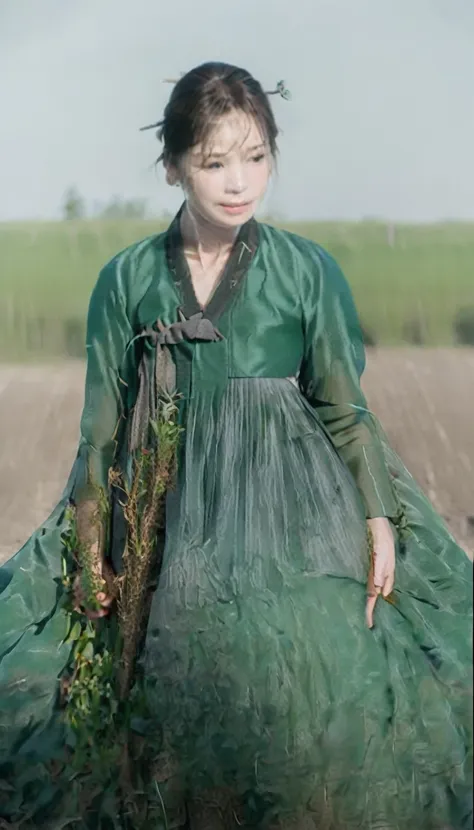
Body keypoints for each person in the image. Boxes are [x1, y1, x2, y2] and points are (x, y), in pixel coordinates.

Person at [0, 62, 472, 830]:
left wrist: (379, 519)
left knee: (314, 699)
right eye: (214, 161)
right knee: (144, 710)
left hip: (293, 519)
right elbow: (100, 429)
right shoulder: (126, 281)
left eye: (256, 157)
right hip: (168, 521)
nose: (237, 182)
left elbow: (345, 409)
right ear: (173, 165)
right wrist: (92, 549)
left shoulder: (306, 272)